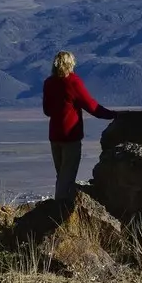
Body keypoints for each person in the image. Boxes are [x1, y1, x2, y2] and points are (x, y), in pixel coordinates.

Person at [41, 50, 114, 204]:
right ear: (70, 64)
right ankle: (60, 210)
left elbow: (47, 110)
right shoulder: (73, 82)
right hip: (70, 137)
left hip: (54, 136)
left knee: (61, 175)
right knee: (67, 175)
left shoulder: (49, 83)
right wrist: (113, 115)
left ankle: (58, 207)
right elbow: (92, 107)